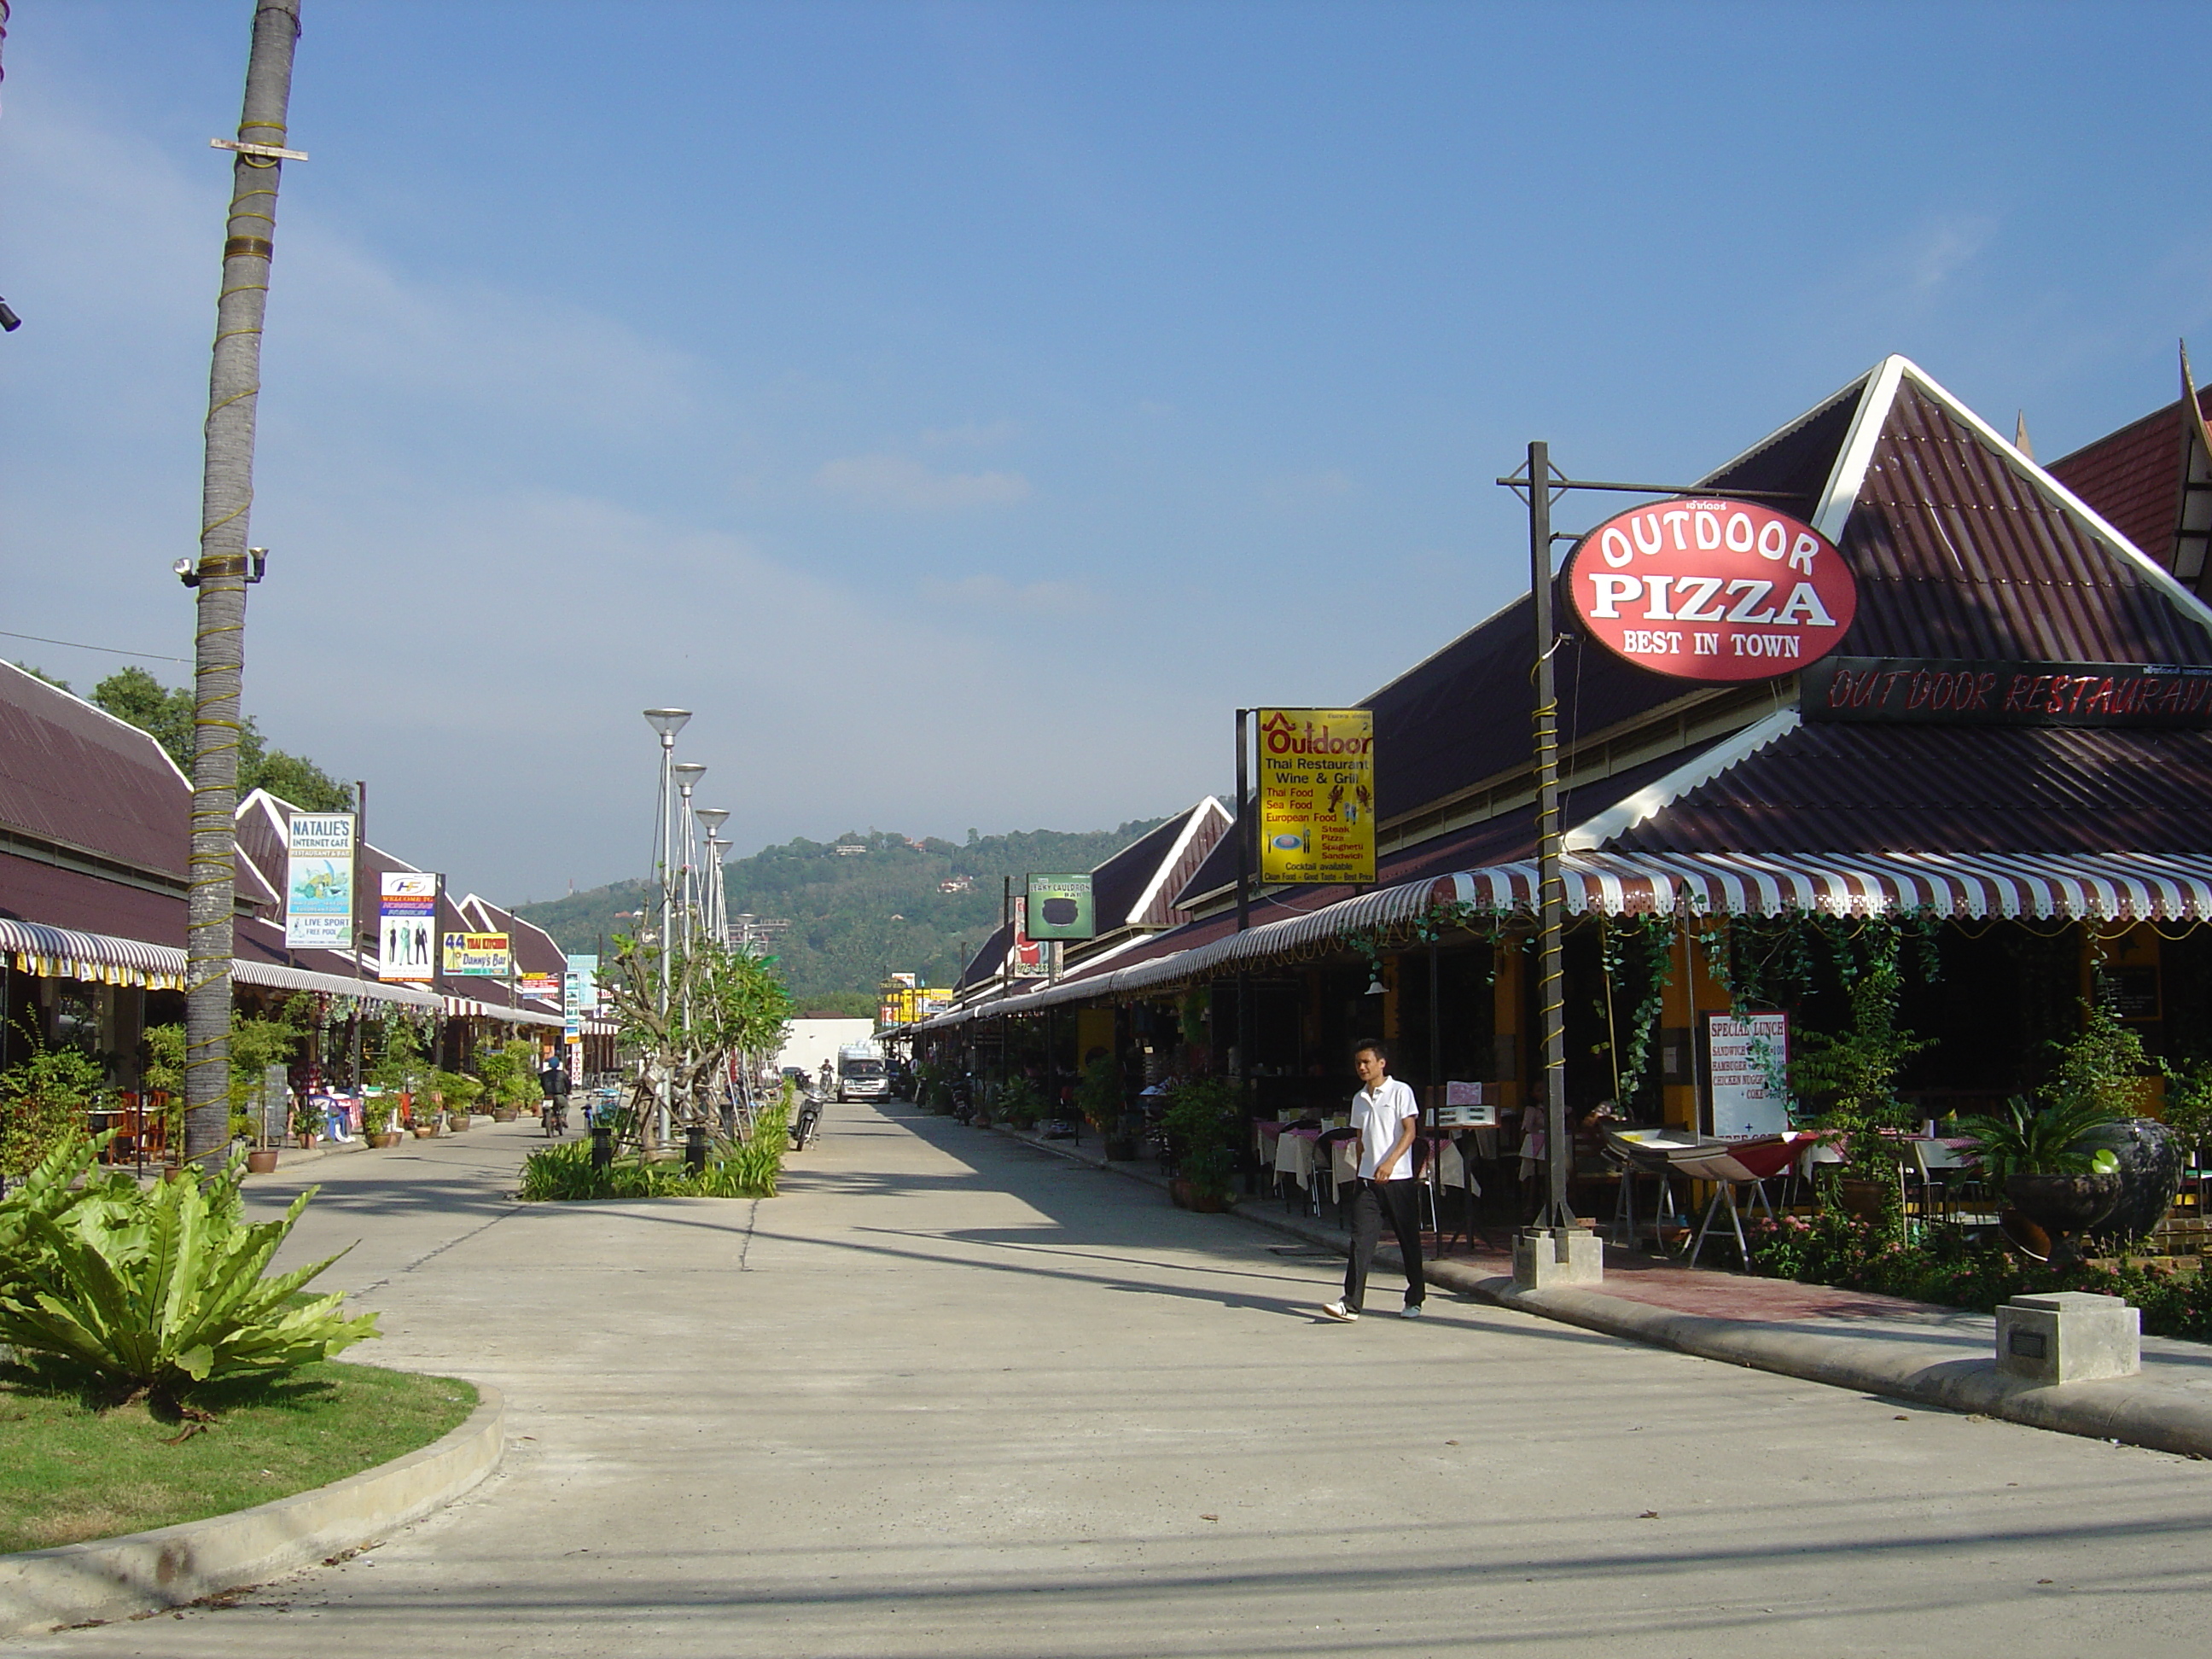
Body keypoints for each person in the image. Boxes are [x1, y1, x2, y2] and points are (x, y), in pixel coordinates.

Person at [1321, 1039, 1425, 1322]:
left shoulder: (1400, 1091)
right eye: (1358, 1063)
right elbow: (1360, 1138)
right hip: (1367, 1181)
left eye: (1367, 1062)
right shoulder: (1359, 1099)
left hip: (1398, 1180)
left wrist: (1390, 1163)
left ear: (1382, 1063)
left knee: (1408, 1241)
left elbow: (1410, 1131)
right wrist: (1359, 1171)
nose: (1362, 1067)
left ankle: (1415, 1297)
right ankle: (1351, 1303)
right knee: (1361, 1241)